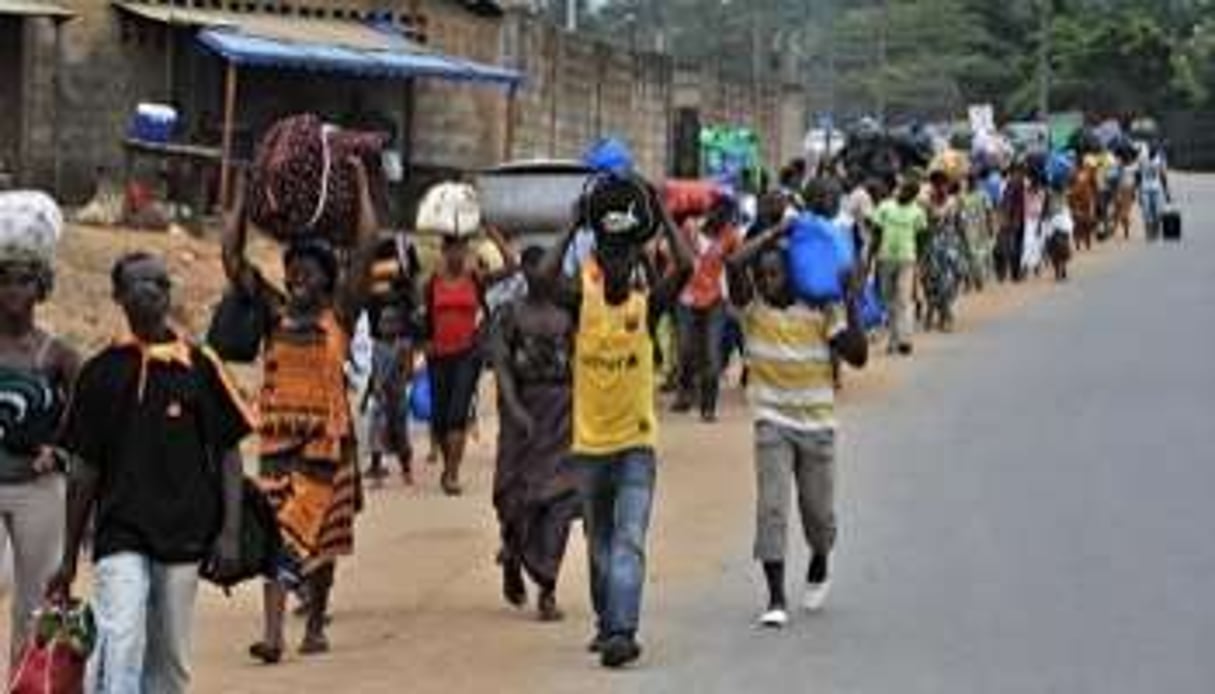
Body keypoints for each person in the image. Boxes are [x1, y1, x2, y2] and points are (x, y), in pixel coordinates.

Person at [47, 253, 250, 693]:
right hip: (120, 531)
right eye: (138, 283)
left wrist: (230, 533)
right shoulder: (99, 373)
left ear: (168, 295)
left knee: (170, 659)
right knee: (119, 639)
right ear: (118, 296)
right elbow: (83, 471)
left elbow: (229, 453)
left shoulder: (200, 367)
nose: (150, 291)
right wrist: (67, 558)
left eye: (159, 283)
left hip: (185, 533)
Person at [222, 161, 379, 662]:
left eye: (308, 272)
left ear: (329, 282)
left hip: (327, 449)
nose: (296, 278)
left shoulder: (341, 315)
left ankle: (313, 621)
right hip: (276, 444)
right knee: (278, 535)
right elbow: (231, 256)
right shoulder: (274, 312)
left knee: (322, 543)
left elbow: (369, 242)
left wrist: (358, 182)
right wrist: (244, 193)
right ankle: (274, 636)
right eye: (292, 270)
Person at [539, 175, 694, 669]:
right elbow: (541, 279)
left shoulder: (646, 309)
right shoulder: (580, 303)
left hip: (635, 447)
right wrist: (572, 221)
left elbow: (687, 265)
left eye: (625, 257)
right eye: (609, 257)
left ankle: (622, 630)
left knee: (627, 540)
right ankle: (609, 623)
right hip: (589, 448)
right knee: (601, 545)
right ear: (597, 262)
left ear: (635, 261)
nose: (618, 264)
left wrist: (660, 213)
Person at [725, 211, 868, 627]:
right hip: (772, 421)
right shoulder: (753, 311)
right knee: (771, 509)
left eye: (774, 273)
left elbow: (857, 356)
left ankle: (821, 555)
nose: (767, 281)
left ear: (791, 272)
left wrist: (851, 300)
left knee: (819, 516)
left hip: (817, 426)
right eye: (763, 274)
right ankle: (775, 598)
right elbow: (734, 265)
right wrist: (776, 231)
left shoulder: (821, 309)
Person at [0, 194, 80, 668]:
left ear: (42, 287)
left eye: (25, 280)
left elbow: (90, 415)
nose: (14, 290)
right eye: (4, 280)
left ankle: (22, 682)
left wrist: (60, 449)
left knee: (34, 603)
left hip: (38, 489)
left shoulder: (58, 355)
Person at [489, 247, 580, 622]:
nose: (546, 274)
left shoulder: (568, 314)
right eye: (539, 267)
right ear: (524, 271)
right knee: (516, 499)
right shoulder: (509, 315)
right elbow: (502, 367)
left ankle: (548, 588)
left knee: (559, 500)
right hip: (521, 414)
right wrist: (514, 408)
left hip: (561, 412)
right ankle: (513, 553)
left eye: (553, 267)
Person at [422, 228, 516, 496]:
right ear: (444, 252)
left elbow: (511, 266)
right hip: (438, 356)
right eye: (451, 249)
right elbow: (424, 320)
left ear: (466, 252)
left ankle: (452, 474)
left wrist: (491, 231)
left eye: (461, 249)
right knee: (439, 419)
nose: (457, 255)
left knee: (457, 414)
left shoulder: (476, 279)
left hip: (467, 354)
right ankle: (448, 463)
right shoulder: (432, 283)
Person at [673, 197, 741, 421]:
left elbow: (737, 265)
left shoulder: (731, 236)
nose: (722, 222)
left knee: (712, 355)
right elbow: (674, 254)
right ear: (710, 212)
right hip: (686, 298)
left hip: (715, 301)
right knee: (685, 349)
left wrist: (735, 299)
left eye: (727, 218)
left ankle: (708, 407)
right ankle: (684, 392)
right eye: (718, 215)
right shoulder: (689, 228)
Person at [870, 175, 927, 355]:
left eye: (910, 194)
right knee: (888, 301)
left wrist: (920, 258)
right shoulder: (885, 207)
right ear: (900, 189)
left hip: (906, 259)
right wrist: (870, 257)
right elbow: (876, 233)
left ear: (914, 196)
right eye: (904, 190)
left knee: (904, 299)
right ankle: (893, 339)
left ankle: (905, 340)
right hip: (885, 258)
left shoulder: (918, 212)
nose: (905, 195)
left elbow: (922, 237)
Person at [362, 303, 415, 487]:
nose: (387, 326)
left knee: (401, 436)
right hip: (380, 397)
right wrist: (365, 397)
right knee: (376, 433)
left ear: (399, 325)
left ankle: (406, 469)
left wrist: (402, 365)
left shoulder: (404, 346)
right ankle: (376, 471)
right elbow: (373, 372)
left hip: (397, 397)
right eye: (384, 322)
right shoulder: (376, 346)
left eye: (391, 322)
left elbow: (409, 374)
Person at [959, 172, 996, 291]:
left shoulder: (983, 195)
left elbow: (989, 211)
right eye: (969, 181)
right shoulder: (962, 197)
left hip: (981, 228)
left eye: (972, 181)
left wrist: (991, 226)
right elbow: (959, 214)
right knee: (969, 254)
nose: (970, 183)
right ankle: (970, 280)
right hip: (967, 229)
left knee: (979, 255)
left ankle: (978, 278)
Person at [1137, 144, 1171, 241]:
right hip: (1145, 189)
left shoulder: (1159, 160)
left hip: (1156, 189)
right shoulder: (1142, 159)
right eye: (1151, 151)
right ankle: (1148, 232)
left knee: (1157, 213)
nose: (1152, 153)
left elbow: (1163, 176)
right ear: (1148, 151)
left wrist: (1166, 192)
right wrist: (1138, 191)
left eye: (1154, 151)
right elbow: (1138, 175)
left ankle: (1155, 230)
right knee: (1146, 212)